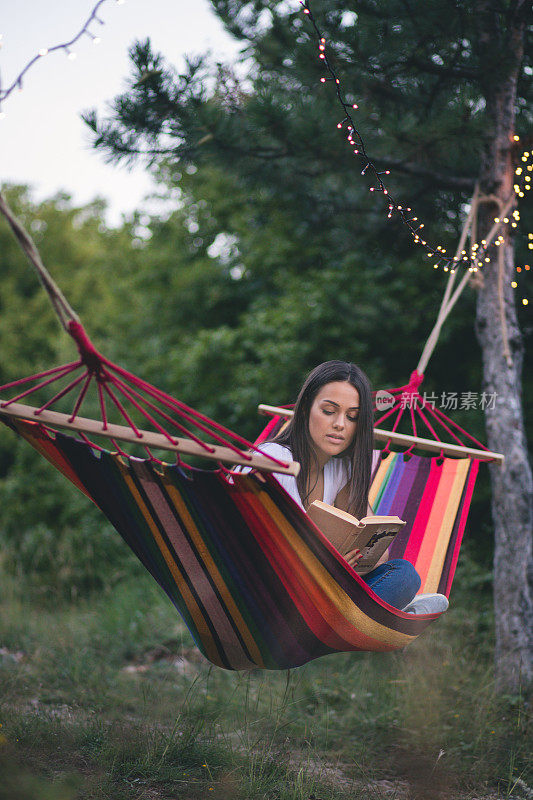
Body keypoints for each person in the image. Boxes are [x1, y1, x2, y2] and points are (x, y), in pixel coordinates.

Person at [256, 361, 449, 615]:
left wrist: (337, 567)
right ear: (304, 410)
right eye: (328, 411)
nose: (340, 424)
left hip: (322, 594)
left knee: (403, 575)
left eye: (352, 417)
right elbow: (262, 551)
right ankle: (388, 616)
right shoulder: (274, 460)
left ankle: (368, 619)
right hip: (271, 594)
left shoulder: (340, 470)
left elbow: (379, 554)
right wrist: (326, 568)